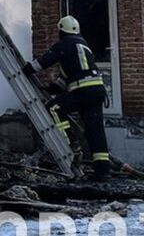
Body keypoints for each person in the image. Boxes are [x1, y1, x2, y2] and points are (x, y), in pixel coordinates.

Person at [33, 15, 112, 180]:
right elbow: (74, 74)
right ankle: (103, 171)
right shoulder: (83, 45)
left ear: (61, 31)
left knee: (53, 109)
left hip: (83, 90)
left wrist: (27, 68)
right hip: (97, 90)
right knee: (95, 130)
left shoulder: (65, 44)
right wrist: (52, 88)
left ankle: (71, 142)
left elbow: (44, 61)